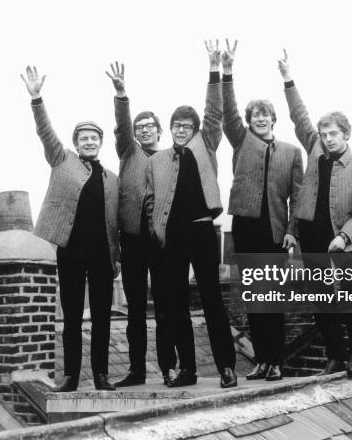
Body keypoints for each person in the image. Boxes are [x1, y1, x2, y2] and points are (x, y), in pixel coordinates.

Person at [20, 65, 120, 392]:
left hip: (103, 255)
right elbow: (45, 132)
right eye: (83, 138)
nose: (89, 142)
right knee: (73, 317)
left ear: (100, 143)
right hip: (71, 250)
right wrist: (37, 99)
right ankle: (72, 376)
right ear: (76, 142)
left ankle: (102, 375)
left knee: (103, 316)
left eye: (94, 138)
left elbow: (116, 223)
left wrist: (117, 257)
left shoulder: (112, 179)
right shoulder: (62, 160)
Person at [145, 41, 237, 389]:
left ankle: (227, 366)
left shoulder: (205, 143)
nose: (180, 130)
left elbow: (214, 112)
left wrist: (216, 70)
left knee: (212, 300)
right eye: (176, 126)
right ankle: (188, 369)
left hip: (201, 232)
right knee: (177, 305)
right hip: (173, 237)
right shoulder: (157, 160)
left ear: (196, 130)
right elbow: (151, 199)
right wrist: (158, 228)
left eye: (186, 126)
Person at [279, 51, 352, 376]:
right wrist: (288, 79)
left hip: (341, 240)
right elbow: (299, 116)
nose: (327, 139)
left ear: (346, 135)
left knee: (349, 298)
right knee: (320, 300)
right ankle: (335, 354)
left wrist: (344, 236)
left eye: (333, 133)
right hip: (311, 235)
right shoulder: (315, 149)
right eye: (324, 134)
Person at [220, 40, 303, 381]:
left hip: (274, 231)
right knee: (254, 298)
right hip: (246, 227)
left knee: (273, 299)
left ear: (273, 119)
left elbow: (298, 197)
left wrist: (291, 231)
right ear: (249, 121)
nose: (260, 119)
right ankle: (261, 360)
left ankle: (276, 361)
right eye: (255, 116)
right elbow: (227, 111)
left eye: (265, 115)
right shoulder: (241, 140)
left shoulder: (291, 152)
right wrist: (227, 72)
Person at [105, 62, 177, 386]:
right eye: (140, 126)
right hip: (132, 241)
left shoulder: (171, 159)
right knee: (134, 310)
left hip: (161, 243)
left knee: (164, 307)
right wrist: (122, 95)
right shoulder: (128, 153)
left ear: (160, 131)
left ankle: (169, 368)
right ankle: (136, 370)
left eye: (150, 126)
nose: (145, 130)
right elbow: (121, 127)